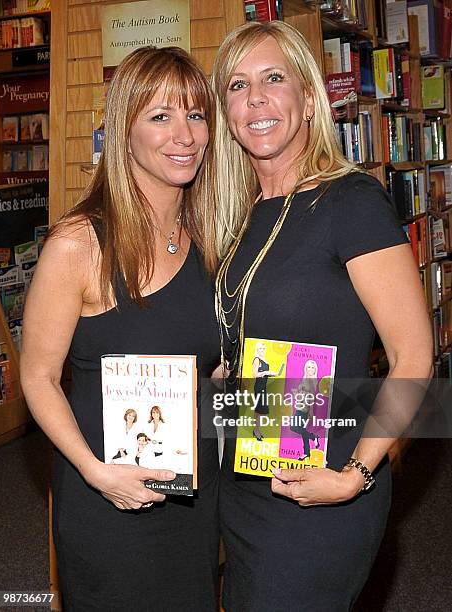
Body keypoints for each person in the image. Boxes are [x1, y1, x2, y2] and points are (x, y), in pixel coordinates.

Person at [212, 21, 433, 611]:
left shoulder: (351, 201)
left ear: (307, 99)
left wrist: (355, 475)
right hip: (250, 472)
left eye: (273, 79)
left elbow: (414, 355)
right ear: (226, 113)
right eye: (237, 85)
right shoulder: (240, 218)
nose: (255, 98)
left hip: (328, 485)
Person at [20, 46, 221, 611]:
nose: (185, 135)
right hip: (108, 500)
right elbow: (36, 377)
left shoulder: (208, 236)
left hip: (193, 498)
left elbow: (209, 366)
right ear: (122, 131)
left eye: (196, 115)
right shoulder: (78, 243)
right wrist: (95, 472)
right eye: (161, 117)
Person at [251, 341, 283, 440]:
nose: (262, 350)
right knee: (258, 410)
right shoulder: (257, 359)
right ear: (257, 350)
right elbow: (255, 374)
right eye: (260, 349)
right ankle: (256, 430)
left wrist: (274, 374)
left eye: (263, 348)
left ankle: (257, 430)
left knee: (259, 410)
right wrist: (266, 372)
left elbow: (264, 373)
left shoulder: (264, 359)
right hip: (259, 387)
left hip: (263, 387)